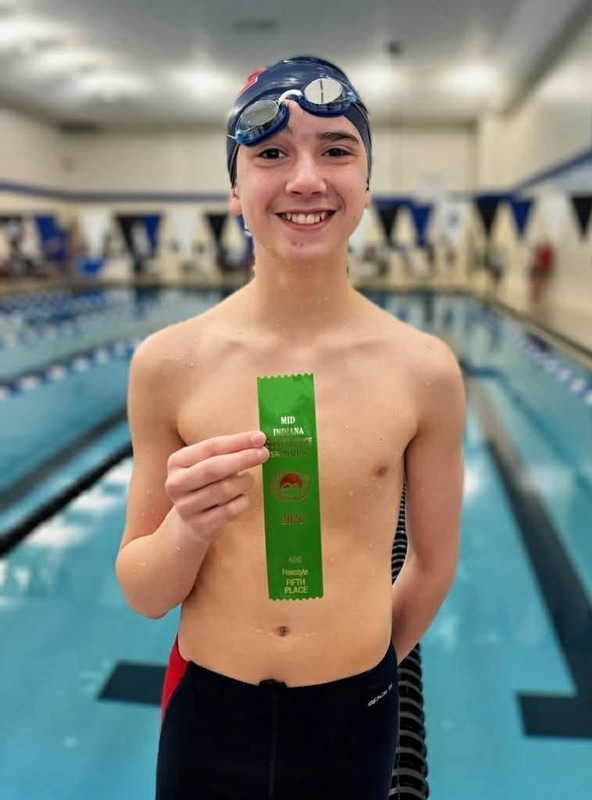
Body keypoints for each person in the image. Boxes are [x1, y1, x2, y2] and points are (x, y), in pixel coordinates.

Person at [115, 55, 465, 800]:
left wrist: (364, 670)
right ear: (235, 190)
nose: (305, 177)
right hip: (210, 709)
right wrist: (188, 531)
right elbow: (144, 591)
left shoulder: (424, 371)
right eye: (272, 154)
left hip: (354, 714)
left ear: (366, 185)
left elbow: (432, 566)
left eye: (337, 149)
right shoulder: (168, 364)